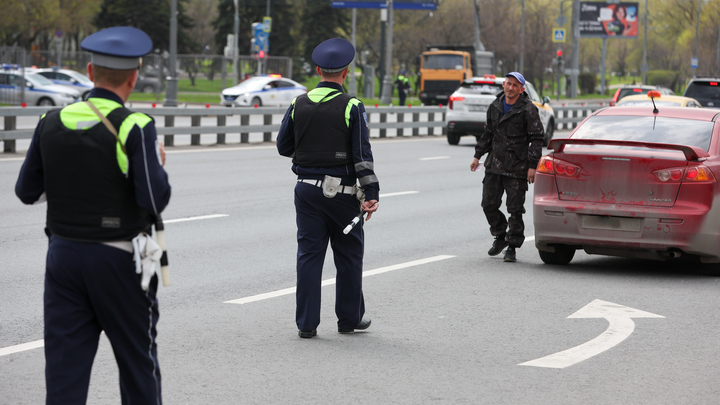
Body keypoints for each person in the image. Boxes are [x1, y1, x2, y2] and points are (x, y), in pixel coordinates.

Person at [15, 26, 171, 404]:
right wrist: (158, 164)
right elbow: (154, 199)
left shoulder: (49, 122)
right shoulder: (135, 126)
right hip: (121, 259)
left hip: (64, 256)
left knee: (65, 370)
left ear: (89, 70)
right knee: (137, 362)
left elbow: (26, 192)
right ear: (134, 77)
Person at [276, 38, 379, 339]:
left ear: (318, 70)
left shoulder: (298, 103)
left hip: (305, 191)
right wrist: (371, 193)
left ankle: (306, 324)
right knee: (348, 255)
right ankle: (348, 320)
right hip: (342, 195)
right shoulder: (352, 106)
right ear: (345, 72)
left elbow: (284, 147)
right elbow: (362, 155)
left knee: (309, 255)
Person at [469, 72, 543, 263]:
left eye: (515, 85)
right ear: (504, 85)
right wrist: (477, 155)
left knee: (515, 209)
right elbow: (488, 133)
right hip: (494, 164)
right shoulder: (494, 106)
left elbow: (536, 138)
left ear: (521, 89)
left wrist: (532, 166)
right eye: (508, 84)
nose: (510, 88)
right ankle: (500, 235)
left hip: (517, 167)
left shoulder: (528, 109)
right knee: (488, 204)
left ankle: (512, 246)